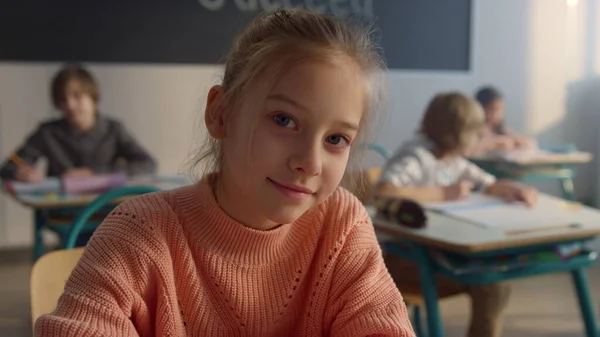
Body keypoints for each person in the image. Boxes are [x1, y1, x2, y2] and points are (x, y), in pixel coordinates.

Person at [35, 9, 415, 336]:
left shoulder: (341, 227)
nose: (311, 163)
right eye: (283, 120)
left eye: (336, 139)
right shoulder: (139, 234)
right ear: (220, 114)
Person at [375, 92, 538, 337]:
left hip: (437, 253)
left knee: (494, 283)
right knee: (490, 282)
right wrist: (443, 193)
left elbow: (484, 183)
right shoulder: (417, 155)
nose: (481, 137)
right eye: (476, 131)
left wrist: (511, 188)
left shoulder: (452, 159)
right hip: (403, 259)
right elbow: (384, 191)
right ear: (457, 132)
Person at [0, 64, 157, 182]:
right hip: (61, 212)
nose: (70, 105)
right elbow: (9, 166)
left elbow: (148, 164)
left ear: (93, 97)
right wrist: (19, 172)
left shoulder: (114, 129)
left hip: (105, 209)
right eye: (63, 100)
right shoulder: (47, 132)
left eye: (77, 96)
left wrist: (93, 173)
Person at [473, 86, 533, 154]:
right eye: (492, 109)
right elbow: (469, 147)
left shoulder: (498, 127)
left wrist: (518, 141)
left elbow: (524, 140)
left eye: (500, 110)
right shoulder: (472, 128)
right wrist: (495, 143)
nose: (496, 114)